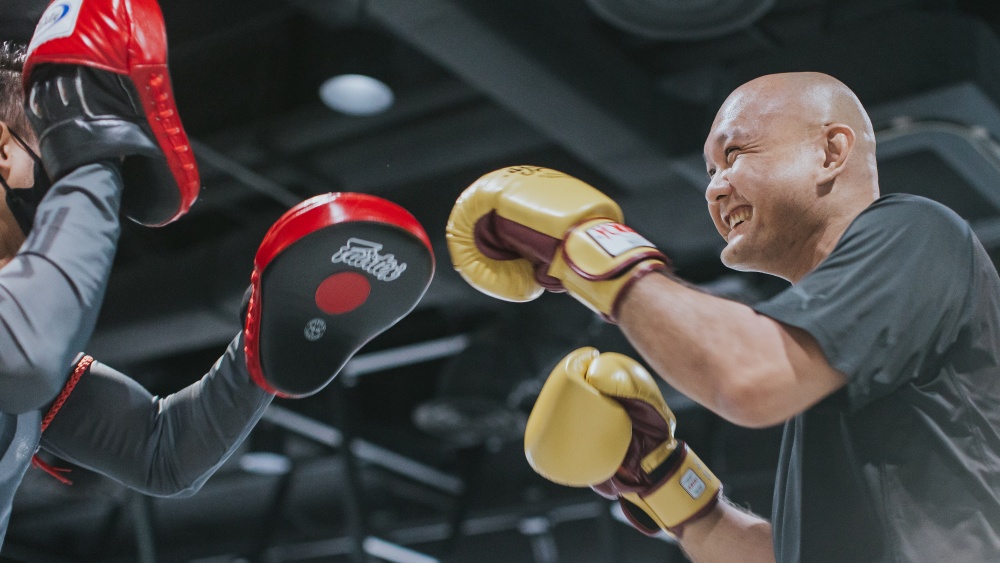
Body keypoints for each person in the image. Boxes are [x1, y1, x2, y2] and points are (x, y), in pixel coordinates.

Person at [446, 71, 1000, 562]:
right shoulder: (839, 366)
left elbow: (748, 378)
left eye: (735, 154)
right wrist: (660, 479)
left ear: (831, 151)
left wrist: (588, 247)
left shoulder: (916, 230)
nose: (714, 187)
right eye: (711, 168)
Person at [0, 0, 433, 549]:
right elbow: (26, 358)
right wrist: (88, 148)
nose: (94, 172)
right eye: (55, 141)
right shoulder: (22, 348)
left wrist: (265, 347)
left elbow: (164, 455)